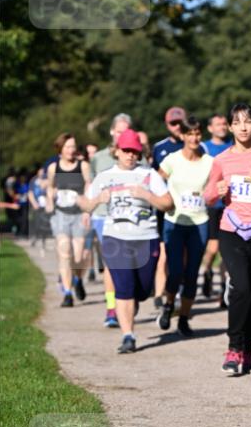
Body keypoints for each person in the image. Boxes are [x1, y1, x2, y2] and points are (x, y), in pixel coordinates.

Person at [79, 130, 171, 353]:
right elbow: (86, 205)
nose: (130, 155)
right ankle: (128, 336)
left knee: (142, 290)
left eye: (134, 151)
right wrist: (97, 200)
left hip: (145, 238)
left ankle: (133, 305)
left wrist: (147, 196)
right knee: (123, 288)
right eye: (126, 150)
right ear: (117, 151)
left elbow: (168, 203)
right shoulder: (105, 176)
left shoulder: (149, 175)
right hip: (116, 238)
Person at [204, 103, 251, 375]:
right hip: (232, 229)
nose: (243, 127)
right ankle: (233, 346)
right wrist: (216, 191)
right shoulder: (221, 160)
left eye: (248, 122)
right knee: (241, 287)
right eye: (238, 122)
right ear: (231, 127)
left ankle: (247, 350)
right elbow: (208, 197)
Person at [158, 115, 214, 337]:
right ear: (182, 136)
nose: (194, 138)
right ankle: (168, 304)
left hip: (199, 222)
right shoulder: (172, 160)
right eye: (190, 134)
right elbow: (155, 180)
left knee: (191, 274)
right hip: (174, 221)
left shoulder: (209, 161)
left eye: (197, 133)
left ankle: (183, 319)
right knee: (175, 272)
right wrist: (162, 199)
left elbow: (218, 183)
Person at [90, 113, 134, 327]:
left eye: (126, 132)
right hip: (102, 216)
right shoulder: (98, 158)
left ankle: (125, 299)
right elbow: (89, 185)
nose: (121, 136)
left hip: (131, 218)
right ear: (111, 132)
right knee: (111, 262)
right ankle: (111, 309)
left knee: (130, 263)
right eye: (118, 132)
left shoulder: (136, 156)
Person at [46, 134, 91, 307]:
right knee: (65, 254)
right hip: (60, 214)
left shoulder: (83, 166)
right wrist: (50, 200)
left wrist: (87, 206)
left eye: (73, 146)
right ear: (60, 149)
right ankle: (67, 293)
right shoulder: (53, 167)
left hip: (79, 214)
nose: (71, 150)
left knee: (79, 256)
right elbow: (51, 186)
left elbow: (89, 185)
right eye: (67, 147)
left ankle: (78, 279)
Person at [152, 107, 186, 308]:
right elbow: (153, 178)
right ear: (167, 125)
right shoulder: (160, 148)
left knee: (182, 255)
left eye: (180, 123)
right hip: (165, 208)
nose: (177, 127)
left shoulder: (193, 145)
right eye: (173, 123)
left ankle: (176, 289)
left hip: (187, 209)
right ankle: (158, 293)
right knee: (164, 252)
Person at [200, 114, 234, 301]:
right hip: (213, 204)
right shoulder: (204, 148)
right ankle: (206, 271)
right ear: (210, 128)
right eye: (218, 124)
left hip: (231, 204)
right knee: (213, 248)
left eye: (224, 124)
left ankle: (223, 289)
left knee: (225, 250)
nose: (221, 127)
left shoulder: (232, 146)